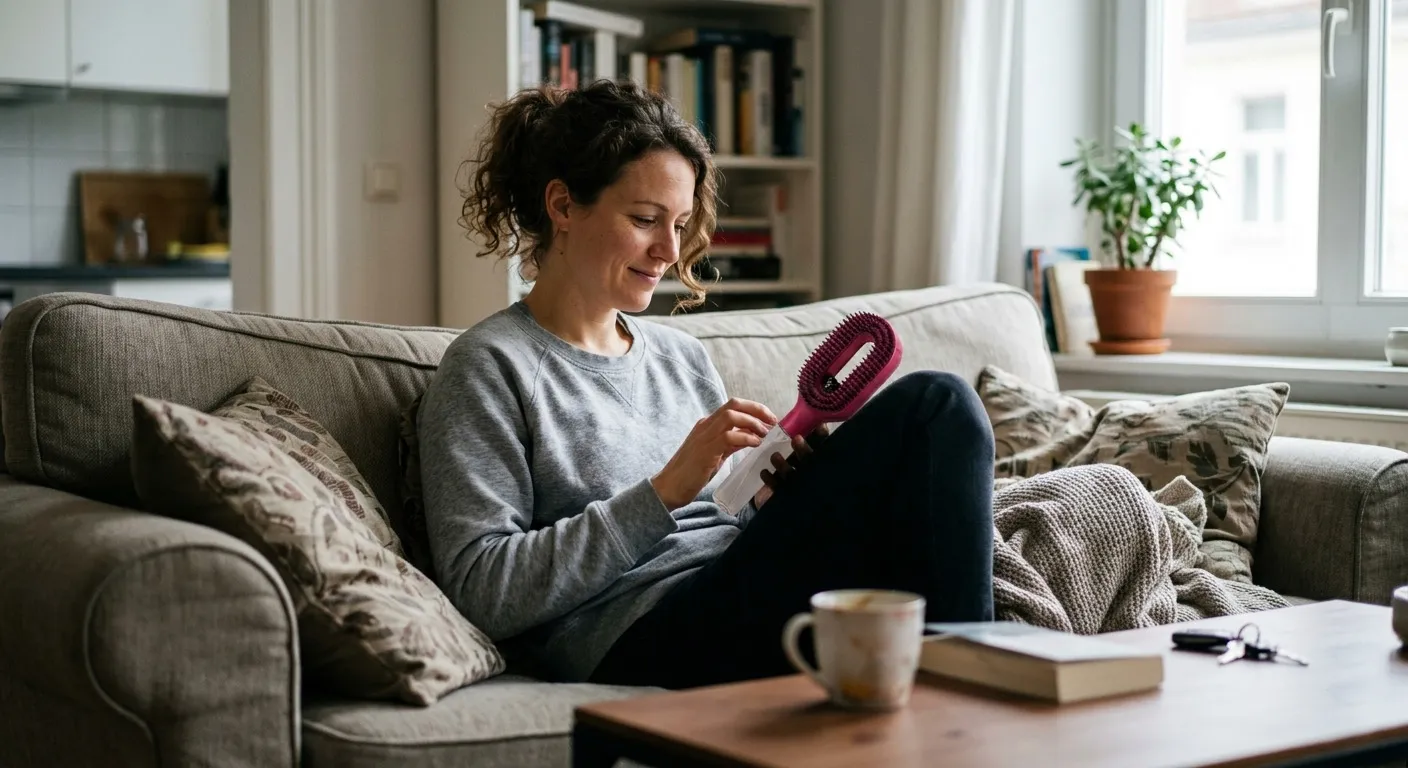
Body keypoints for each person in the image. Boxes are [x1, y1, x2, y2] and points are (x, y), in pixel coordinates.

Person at [417, 79, 995, 690]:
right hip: (640, 632)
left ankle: (961, 683)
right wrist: (665, 490)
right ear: (562, 206)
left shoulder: (679, 356)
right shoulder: (489, 366)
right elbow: (484, 589)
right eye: (645, 220)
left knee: (935, 425)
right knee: (935, 405)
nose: (668, 250)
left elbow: (727, 526)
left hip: (741, 587)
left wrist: (771, 497)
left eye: (682, 223)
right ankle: (981, 689)